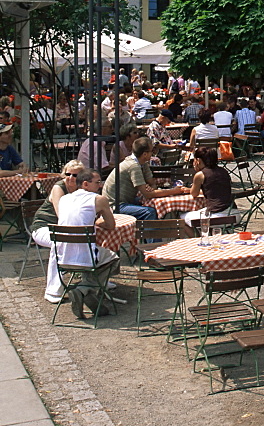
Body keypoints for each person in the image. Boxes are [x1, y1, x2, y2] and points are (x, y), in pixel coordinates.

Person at [56, 168, 119, 320]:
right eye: (97, 182)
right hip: (86, 257)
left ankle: (88, 291)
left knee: (92, 251)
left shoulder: (64, 199)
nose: (100, 185)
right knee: (113, 258)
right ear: (85, 184)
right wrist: (98, 221)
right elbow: (111, 225)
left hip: (62, 257)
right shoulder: (98, 199)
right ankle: (86, 289)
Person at [31, 160, 84, 304]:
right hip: (43, 227)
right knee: (60, 241)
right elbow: (62, 216)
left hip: (67, 228)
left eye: (75, 175)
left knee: (94, 236)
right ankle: (53, 290)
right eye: (68, 174)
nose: (71, 177)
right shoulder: (59, 188)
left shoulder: (83, 189)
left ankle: (95, 280)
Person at [103, 136, 189, 220]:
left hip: (125, 201)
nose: (154, 152)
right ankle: (148, 233)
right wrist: (174, 191)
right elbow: (148, 194)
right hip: (115, 206)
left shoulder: (143, 163)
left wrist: (150, 188)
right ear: (144, 154)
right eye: (152, 151)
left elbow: (152, 183)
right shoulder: (133, 166)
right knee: (149, 212)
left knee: (145, 202)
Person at [182, 146, 232, 227]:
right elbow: (214, 190)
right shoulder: (224, 171)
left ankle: (201, 238)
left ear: (197, 161)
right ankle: (208, 236)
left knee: (181, 221)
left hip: (218, 216)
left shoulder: (200, 175)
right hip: (233, 213)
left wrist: (197, 171)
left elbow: (194, 194)